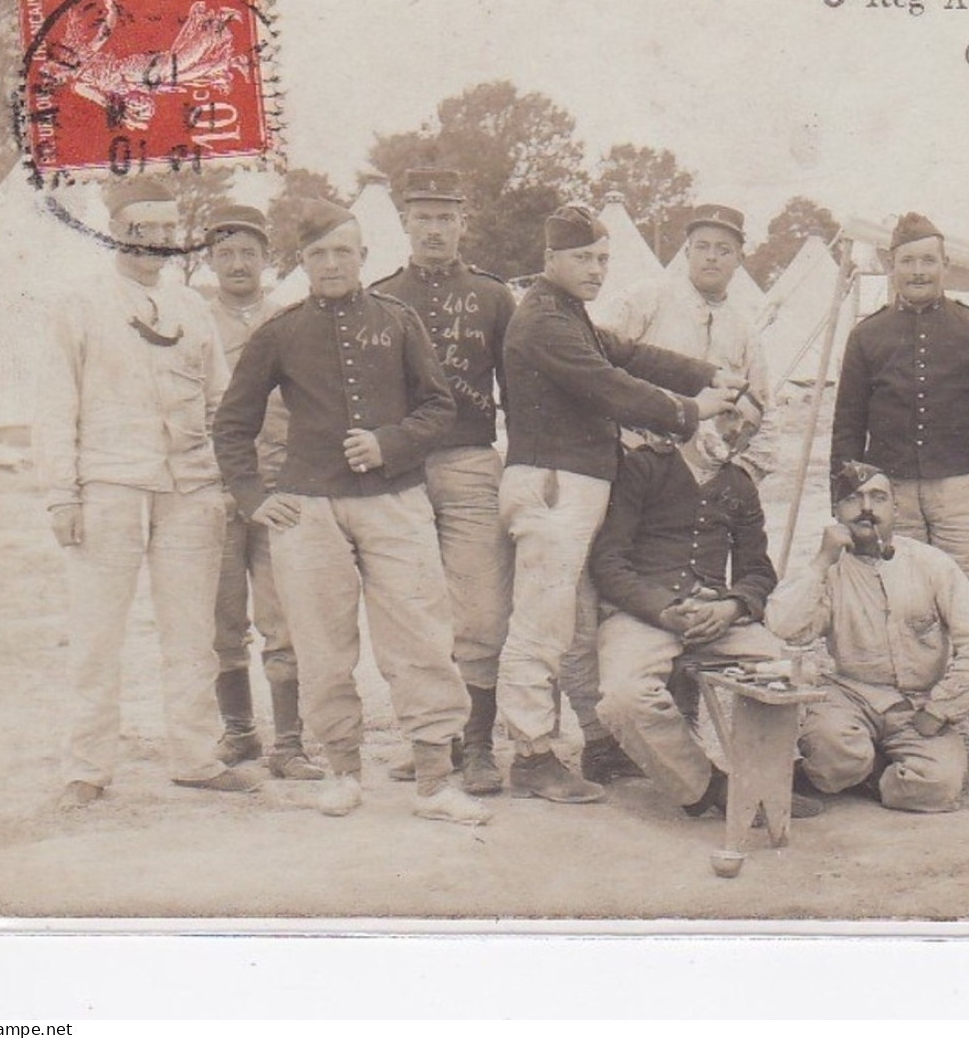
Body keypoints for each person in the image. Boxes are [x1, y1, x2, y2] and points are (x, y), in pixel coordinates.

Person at [212, 199, 491, 825]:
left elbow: (440, 407)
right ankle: (341, 770)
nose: (331, 263)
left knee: (420, 636)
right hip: (308, 510)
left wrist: (389, 443)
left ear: (364, 257)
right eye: (318, 254)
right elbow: (232, 424)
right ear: (302, 263)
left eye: (343, 251)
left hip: (395, 502)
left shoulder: (398, 321)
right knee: (320, 644)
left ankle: (434, 782)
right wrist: (255, 497)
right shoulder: (279, 332)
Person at [498, 203, 746, 804]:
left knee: (578, 625)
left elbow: (630, 354)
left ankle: (593, 745)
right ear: (550, 259)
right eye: (583, 258)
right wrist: (693, 410)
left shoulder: (568, 314)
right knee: (542, 625)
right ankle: (530, 754)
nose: (596, 269)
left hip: (577, 483)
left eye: (603, 259)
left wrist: (707, 372)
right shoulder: (543, 322)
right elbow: (611, 385)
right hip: (554, 484)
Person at [37, 176, 254, 809]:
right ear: (113, 234)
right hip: (108, 486)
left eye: (163, 233)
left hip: (188, 489)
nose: (151, 245)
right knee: (96, 632)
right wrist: (61, 494)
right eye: (138, 233)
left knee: (191, 632)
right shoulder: (79, 306)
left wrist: (219, 476)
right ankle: (87, 765)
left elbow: (222, 401)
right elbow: (56, 406)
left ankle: (193, 754)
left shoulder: (192, 310)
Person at [829, 212, 969, 769]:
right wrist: (848, 502)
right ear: (889, 266)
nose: (918, 271)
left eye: (928, 260)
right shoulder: (867, 335)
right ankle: (904, 723)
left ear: (946, 266)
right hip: (890, 493)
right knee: (899, 607)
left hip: (965, 488)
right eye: (907, 261)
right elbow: (847, 425)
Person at [590, 398, 819, 818]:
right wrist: (663, 610)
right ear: (699, 416)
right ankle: (710, 786)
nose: (737, 431)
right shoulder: (643, 468)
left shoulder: (740, 486)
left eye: (750, 427)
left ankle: (768, 784)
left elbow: (758, 572)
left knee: (790, 669)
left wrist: (731, 607)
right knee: (623, 696)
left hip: (716, 620)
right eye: (729, 416)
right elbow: (608, 563)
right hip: (646, 617)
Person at [370, 168, 515, 796]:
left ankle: (480, 744)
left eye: (446, 217)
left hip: (470, 463)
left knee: (480, 606)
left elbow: (521, 387)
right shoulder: (381, 296)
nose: (434, 228)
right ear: (405, 222)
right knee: (414, 608)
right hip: (403, 472)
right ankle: (436, 740)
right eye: (422, 216)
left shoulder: (493, 297)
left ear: (463, 223)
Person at [767, 461, 969, 813]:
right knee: (833, 750)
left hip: (916, 705)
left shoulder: (931, 564)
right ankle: (858, 766)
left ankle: (866, 773)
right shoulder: (829, 569)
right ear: (837, 511)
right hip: (851, 696)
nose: (866, 509)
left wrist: (941, 709)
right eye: (853, 499)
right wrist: (821, 561)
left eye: (878, 498)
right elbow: (784, 627)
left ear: (896, 508)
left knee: (939, 786)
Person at [202, 204, 322, 782]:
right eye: (225, 253)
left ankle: (291, 742)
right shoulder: (193, 322)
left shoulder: (290, 321)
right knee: (223, 620)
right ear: (209, 261)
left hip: (278, 490)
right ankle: (240, 731)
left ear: (268, 260)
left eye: (248, 252)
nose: (237, 263)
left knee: (284, 617)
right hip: (217, 491)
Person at [591, 202, 779, 484]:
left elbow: (763, 405)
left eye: (723, 250)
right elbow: (595, 362)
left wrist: (745, 474)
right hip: (637, 461)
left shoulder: (744, 327)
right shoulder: (647, 298)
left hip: (708, 474)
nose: (711, 257)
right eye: (702, 247)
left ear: (739, 258)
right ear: (687, 251)